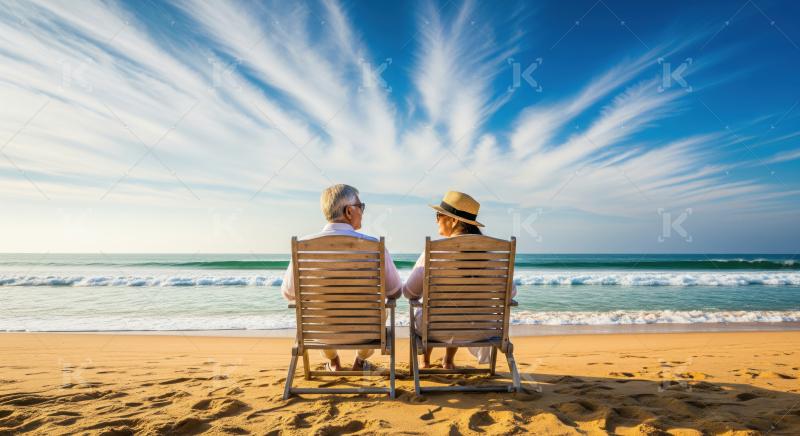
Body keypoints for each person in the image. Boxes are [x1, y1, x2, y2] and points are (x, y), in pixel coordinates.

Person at [281, 184, 402, 371]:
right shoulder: (375, 246)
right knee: (382, 308)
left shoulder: (303, 247)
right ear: (349, 211)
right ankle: (360, 362)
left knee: (314, 307)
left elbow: (289, 294)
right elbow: (395, 291)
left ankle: (334, 362)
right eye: (361, 207)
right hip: (366, 334)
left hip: (318, 334)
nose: (362, 212)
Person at [402, 190, 516, 369]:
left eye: (438, 215)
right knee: (459, 306)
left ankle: (425, 362)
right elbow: (511, 292)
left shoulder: (434, 252)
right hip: (481, 330)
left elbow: (409, 292)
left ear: (454, 220)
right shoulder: (493, 255)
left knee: (433, 310)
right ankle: (448, 361)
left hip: (435, 329)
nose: (436, 220)